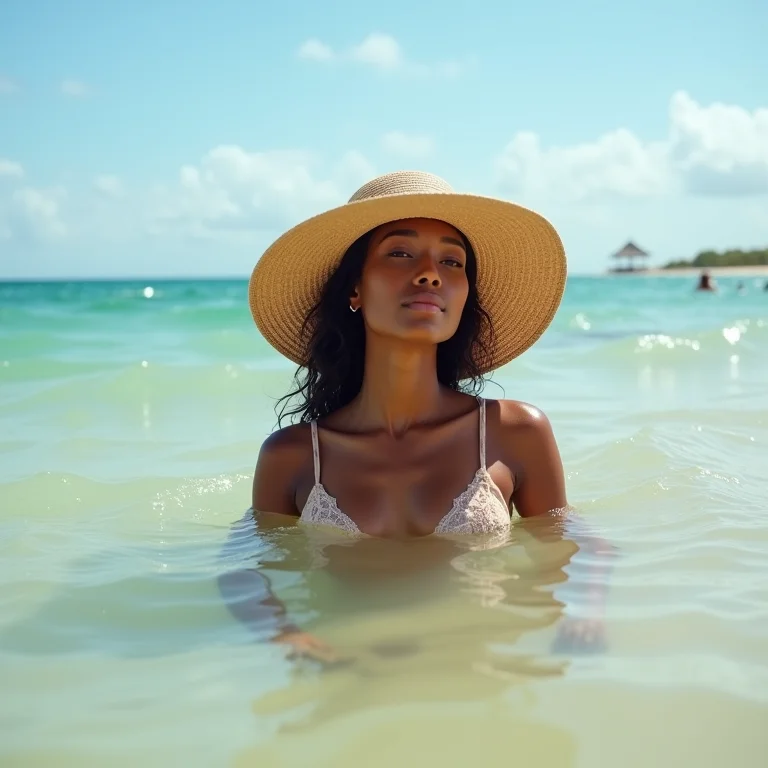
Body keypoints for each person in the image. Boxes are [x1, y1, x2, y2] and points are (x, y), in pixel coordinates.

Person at [220, 171, 615, 663]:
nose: (431, 274)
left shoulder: (514, 432)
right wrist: (285, 636)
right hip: (349, 676)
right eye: (401, 253)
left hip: (479, 676)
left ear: (464, 293)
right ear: (355, 290)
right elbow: (245, 568)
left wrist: (583, 612)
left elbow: (574, 542)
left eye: (452, 261)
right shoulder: (295, 455)